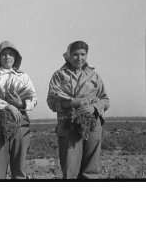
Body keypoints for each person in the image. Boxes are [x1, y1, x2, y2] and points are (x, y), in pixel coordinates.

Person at [47, 40, 110, 179]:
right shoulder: (59, 75)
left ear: (87, 55)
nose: (79, 58)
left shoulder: (94, 75)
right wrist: (72, 102)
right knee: (70, 170)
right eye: (75, 54)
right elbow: (51, 102)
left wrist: (93, 107)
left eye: (83, 54)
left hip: (93, 124)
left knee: (91, 170)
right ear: (68, 55)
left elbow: (105, 100)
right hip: (68, 124)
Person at [0, 41, 37, 179]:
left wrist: (21, 103)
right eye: (4, 54)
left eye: (11, 54)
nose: (7, 57)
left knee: (19, 168)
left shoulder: (23, 76)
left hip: (20, 122)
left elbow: (33, 98)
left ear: (16, 57)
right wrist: (8, 106)